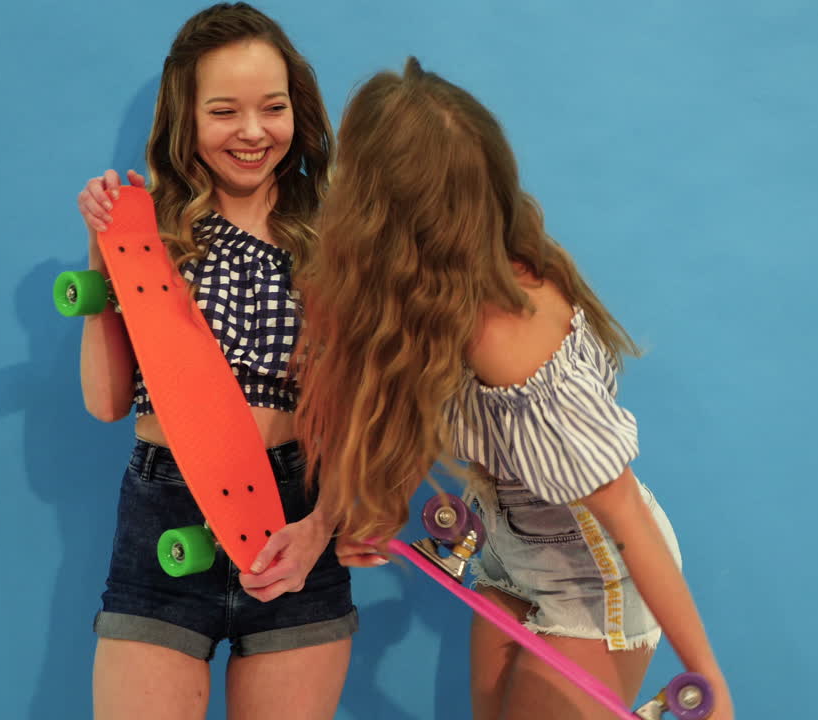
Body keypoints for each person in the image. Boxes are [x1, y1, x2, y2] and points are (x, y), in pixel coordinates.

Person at [294, 58, 733, 720]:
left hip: (596, 579)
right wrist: (366, 510)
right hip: (511, 558)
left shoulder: (508, 339)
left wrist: (708, 678)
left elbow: (629, 519)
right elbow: (419, 401)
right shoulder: (429, 302)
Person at [74, 5, 355, 719]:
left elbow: (363, 414)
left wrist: (322, 525)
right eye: (225, 111)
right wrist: (102, 253)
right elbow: (107, 403)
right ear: (186, 118)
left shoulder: (334, 239)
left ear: (299, 110)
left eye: (273, 107)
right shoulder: (151, 233)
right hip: (162, 506)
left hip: (297, 517)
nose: (253, 132)